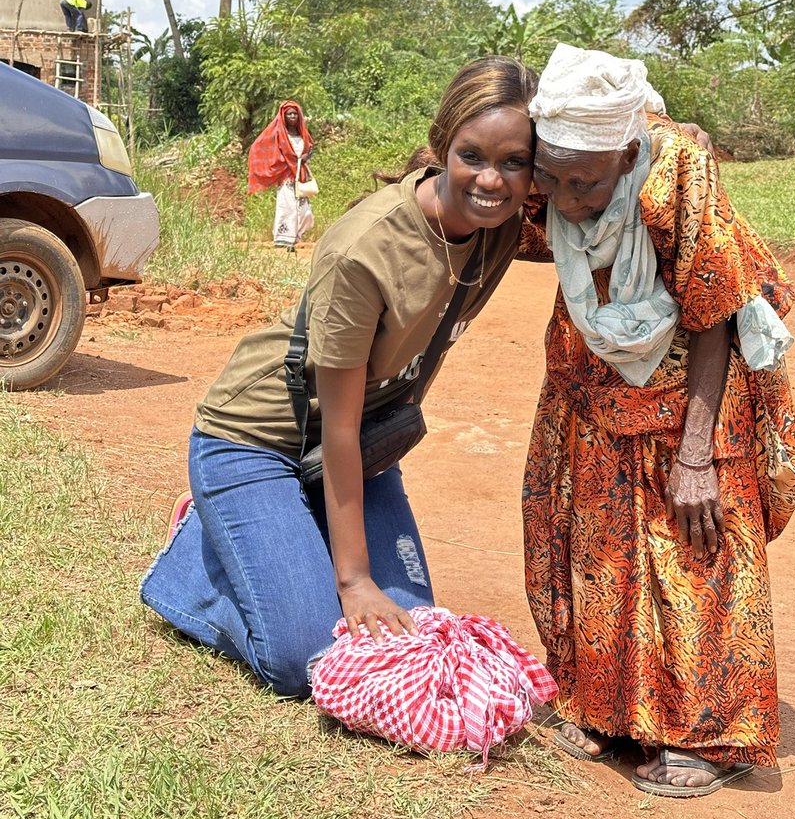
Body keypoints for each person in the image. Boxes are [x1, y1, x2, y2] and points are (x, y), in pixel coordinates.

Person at [140, 57, 538, 696]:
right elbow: (341, 424)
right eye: (472, 155)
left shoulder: (504, 224)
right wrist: (352, 581)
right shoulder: (367, 248)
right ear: (442, 148)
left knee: (412, 628)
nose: (491, 178)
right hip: (260, 439)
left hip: (358, 449)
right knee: (312, 658)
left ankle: (289, 534)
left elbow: (602, 163)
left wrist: (670, 136)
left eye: (514, 162)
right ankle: (195, 569)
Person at [520, 44, 795, 797]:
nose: (566, 200)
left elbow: (713, 312)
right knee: (598, 546)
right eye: (551, 178)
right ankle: (604, 707)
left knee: (695, 551)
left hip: (687, 396)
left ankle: (713, 734)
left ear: (624, 153)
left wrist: (697, 454)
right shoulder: (543, 159)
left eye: (584, 184)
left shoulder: (676, 172)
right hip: (589, 387)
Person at [248, 101, 316, 250]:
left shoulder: (302, 134)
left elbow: (309, 149)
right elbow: (263, 148)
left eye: (295, 114)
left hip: (300, 176)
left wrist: (306, 157)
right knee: (288, 207)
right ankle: (284, 240)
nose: (292, 116)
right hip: (286, 177)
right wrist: (289, 161)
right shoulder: (279, 134)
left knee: (305, 211)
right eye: (289, 114)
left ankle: (295, 237)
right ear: (283, 116)